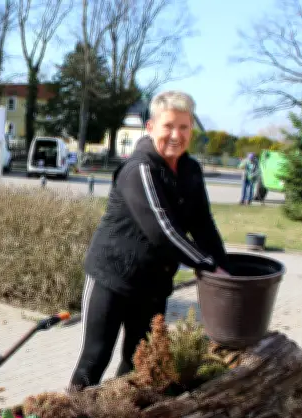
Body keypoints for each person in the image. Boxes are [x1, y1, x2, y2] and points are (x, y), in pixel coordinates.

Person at [69, 90, 230, 391]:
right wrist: (207, 265)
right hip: (111, 278)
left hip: (152, 286)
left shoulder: (191, 170)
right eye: (168, 126)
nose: (175, 135)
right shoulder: (139, 169)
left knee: (138, 363)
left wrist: (225, 268)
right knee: (94, 361)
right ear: (151, 127)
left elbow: (203, 224)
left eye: (184, 127)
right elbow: (163, 231)